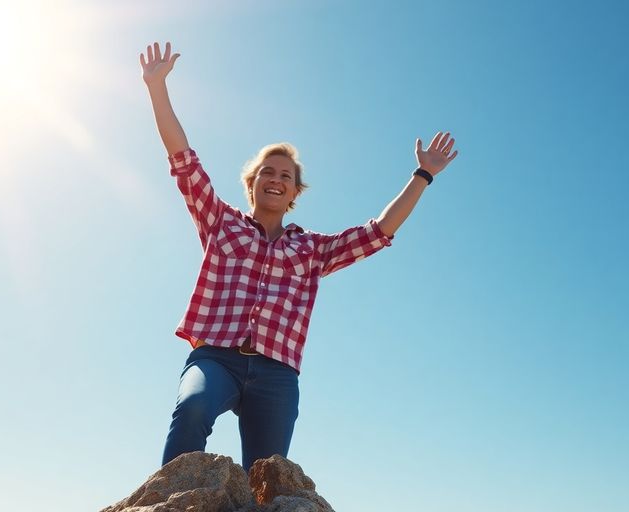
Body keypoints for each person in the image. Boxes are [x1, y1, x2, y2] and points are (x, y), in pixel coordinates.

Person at [140, 41, 458, 473]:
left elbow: (379, 232)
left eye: (285, 176)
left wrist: (422, 176)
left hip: (276, 372)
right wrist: (157, 86)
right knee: (193, 407)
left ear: (293, 193)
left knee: (267, 476)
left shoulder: (311, 249)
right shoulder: (220, 221)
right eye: (267, 173)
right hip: (216, 356)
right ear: (252, 184)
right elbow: (182, 158)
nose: (276, 179)